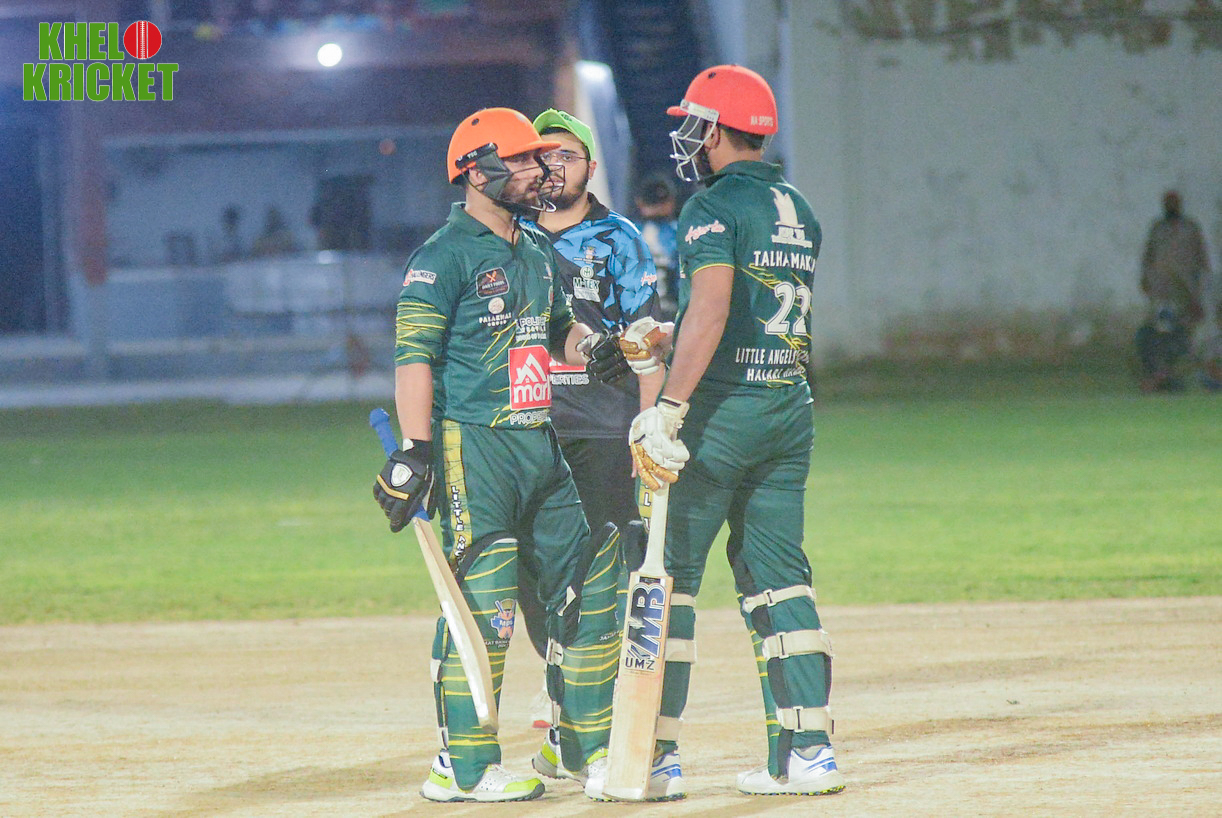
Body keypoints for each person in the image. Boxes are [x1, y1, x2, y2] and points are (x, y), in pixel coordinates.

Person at [585, 65, 846, 800]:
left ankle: (652, 761)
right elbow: (750, 317)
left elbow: (712, 307)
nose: (689, 138)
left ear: (716, 129)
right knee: (780, 578)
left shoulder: (712, 204)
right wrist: (668, 335)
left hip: (721, 414)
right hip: (787, 406)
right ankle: (808, 753)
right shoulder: (798, 206)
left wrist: (668, 404)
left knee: (666, 580)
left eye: (695, 124)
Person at [372, 107, 631, 803]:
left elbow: (556, 327)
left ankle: (583, 748)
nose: (537, 170)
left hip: (540, 443)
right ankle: (461, 767)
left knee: (593, 584)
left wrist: (593, 347)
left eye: (537, 158)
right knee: (483, 603)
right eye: (519, 160)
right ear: (475, 170)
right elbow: (413, 359)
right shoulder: (441, 257)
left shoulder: (536, 247)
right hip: (474, 447)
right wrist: (414, 450)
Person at [515, 108, 667, 759]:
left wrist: (649, 423)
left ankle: (591, 703)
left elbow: (649, 338)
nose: (554, 166)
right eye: (542, 156)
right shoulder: (509, 235)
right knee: (531, 573)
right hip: (526, 425)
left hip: (604, 427)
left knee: (603, 568)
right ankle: (560, 687)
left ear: (590, 167)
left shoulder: (619, 237)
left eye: (567, 155)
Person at [1137, 190, 1212, 392]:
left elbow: (1202, 262)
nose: (1171, 206)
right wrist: (1146, 281)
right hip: (1163, 295)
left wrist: (1198, 296)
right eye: (1167, 202)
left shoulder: (1191, 229)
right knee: (1161, 334)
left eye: (1174, 202)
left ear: (1180, 205)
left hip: (1187, 295)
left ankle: (1186, 379)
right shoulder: (1157, 229)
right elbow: (1148, 257)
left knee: (1185, 336)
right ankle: (1162, 378)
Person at [633, 173, 680, 320]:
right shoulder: (681, 232)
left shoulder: (625, 232)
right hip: (670, 314)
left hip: (636, 314)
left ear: (640, 202)